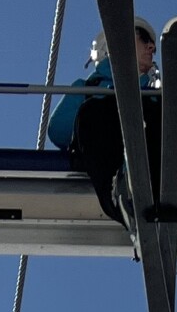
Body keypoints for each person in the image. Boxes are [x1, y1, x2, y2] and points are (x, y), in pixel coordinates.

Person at [48, 17, 160, 221]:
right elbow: (59, 131)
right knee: (95, 112)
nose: (151, 47)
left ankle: (167, 196)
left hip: (153, 163)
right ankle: (124, 189)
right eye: (144, 39)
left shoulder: (156, 99)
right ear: (113, 44)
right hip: (109, 160)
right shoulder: (87, 92)